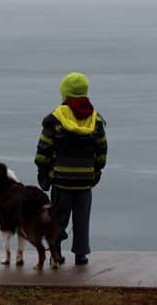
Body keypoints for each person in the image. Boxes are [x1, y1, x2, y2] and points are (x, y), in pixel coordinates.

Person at [35, 72, 107, 266]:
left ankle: (56, 249)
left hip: (61, 179)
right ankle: (81, 255)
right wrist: (96, 171)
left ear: (65, 93)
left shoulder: (55, 119)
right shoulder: (95, 119)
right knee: (82, 219)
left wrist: (43, 172)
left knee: (58, 217)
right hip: (85, 180)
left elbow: (43, 150)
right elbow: (102, 151)